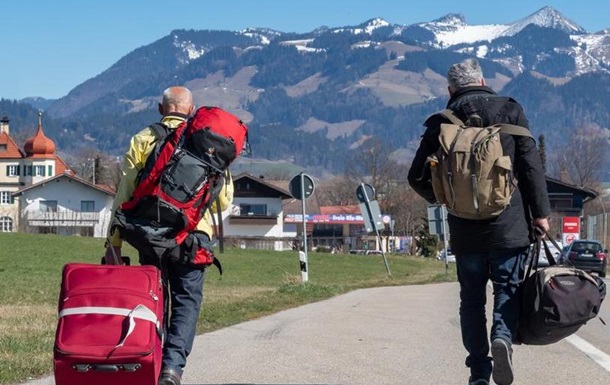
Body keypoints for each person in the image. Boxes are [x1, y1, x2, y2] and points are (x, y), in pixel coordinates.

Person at [407, 58, 551, 385]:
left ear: (450, 89)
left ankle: (478, 372)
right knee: (507, 291)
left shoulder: (441, 122)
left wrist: (443, 197)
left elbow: (415, 177)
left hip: (465, 230)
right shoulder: (510, 110)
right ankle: (502, 337)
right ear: (483, 81)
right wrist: (540, 214)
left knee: (471, 300)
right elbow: (531, 169)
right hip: (509, 228)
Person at [105, 86, 234, 385]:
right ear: (191, 110)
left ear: (160, 109)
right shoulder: (209, 142)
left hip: (151, 237)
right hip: (193, 238)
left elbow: (125, 193)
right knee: (186, 302)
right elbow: (224, 200)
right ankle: (172, 368)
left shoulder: (143, 139)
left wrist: (114, 241)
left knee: (152, 299)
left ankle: (150, 361)